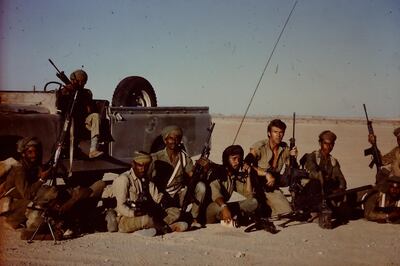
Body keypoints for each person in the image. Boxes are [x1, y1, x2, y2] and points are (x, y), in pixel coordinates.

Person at [111, 151, 187, 235]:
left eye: (146, 166)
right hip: (124, 218)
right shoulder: (124, 179)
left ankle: (157, 227)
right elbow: (120, 207)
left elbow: (157, 198)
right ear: (133, 164)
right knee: (147, 219)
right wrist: (134, 213)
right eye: (140, 165)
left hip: (144, 213)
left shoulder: (146, 179)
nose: (143, 169)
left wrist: (164, 202)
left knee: (175, 212)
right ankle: (164, 227)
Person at [150, 125, 206, 229]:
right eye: (171, 138)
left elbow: (191, 175)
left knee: (201, 187)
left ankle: (193, 217)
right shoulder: (156, 157)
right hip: (161, 197)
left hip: (178, 195)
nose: (174, 141)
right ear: (165, 140)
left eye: (177, 138)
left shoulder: (184, 158)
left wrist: (199, 168)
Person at [244, 119, 294, 217]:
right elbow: (247, 163)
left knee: (286, 211)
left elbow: (291, 169)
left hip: (272, 185)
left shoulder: (285, 148)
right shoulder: (260, 146)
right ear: (269, 133)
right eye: (275, 132)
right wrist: (265, 174)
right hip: (257, 183)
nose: (278, 135)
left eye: (281, 132)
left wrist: (293, 157)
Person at [0, 137, 50, 229]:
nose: (34, 155)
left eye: (35, 152)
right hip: (11, 203)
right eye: (30, 152)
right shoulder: (20, 170)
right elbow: (27, 194)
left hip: (19, 200)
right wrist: (41, 180)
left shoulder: (31, 166)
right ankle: (11, 220)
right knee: (35, 202)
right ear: (23, 154)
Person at [303, 130, 351, 224]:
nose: (328, 147)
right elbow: (312, 171)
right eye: (326, 143)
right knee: (315, 183)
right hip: (312, 191)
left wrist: (341, 188)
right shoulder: (312, 156)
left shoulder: (333, 161)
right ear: (320, 143)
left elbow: (341, 178)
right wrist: (321, 176)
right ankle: (314, 213)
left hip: (326, 192)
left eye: (331, 144)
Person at [55, 69, 103, 159]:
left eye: (83, 82)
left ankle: (93, 149)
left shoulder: (86, 93)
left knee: (95, 116)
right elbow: (59, 106)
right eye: (79, 81)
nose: (81, 84)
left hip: (82, 122)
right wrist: (65, 93)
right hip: (69, 121)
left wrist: (79, 95)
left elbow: (89, 110)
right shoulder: (64, 91)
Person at [206, 145, 258, 225]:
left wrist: (248, 176)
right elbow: (216, 196)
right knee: (218, 207)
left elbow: (249, 196)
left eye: (239, 159)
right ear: (226, 160)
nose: (237, 162)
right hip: (211, 208)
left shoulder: (234, 175)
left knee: (253, 202)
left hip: (225, 206)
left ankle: (232, 217)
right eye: (234, 159)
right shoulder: (217, 173)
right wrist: (224, 207)